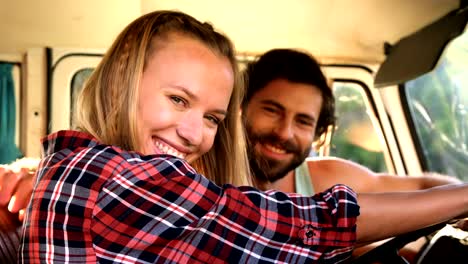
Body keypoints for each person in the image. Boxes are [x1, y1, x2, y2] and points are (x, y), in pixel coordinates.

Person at [5, 11, 468, 263]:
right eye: (178, 100)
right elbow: (292, 224)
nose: (192, 133)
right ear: (121, 79)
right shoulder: (111, 176)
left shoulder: (91, 166)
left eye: (211, 118)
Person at [242, 48, 462, 195]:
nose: (284, 133)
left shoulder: (325, 182)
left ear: (318, 132)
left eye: (303, 121)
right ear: (240, 108)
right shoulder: (210, 180)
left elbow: (421, 186)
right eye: (271, 111)